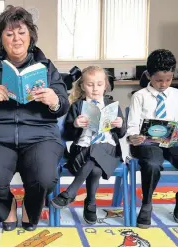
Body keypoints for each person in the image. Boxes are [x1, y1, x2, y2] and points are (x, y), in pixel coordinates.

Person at [0, 5, 69, 231]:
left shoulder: (47, 67)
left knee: (46, 177)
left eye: (21, 32)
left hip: (40, 136)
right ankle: (8, 206)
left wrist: (54, 100)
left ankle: (31, 207)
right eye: (9, 34)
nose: (16, 39)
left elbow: (63, 105)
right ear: (1, 39)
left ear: (31, 35)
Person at [127, 49, 178, 228]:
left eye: (168, 80)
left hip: (174, 141)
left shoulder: (176, 94)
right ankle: (147, 204)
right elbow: (132, 124)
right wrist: (134, 136)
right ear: (148, 75)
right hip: (148, 143)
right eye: (158, 80)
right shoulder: (139, 96)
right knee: (153, 164)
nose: (163, 84)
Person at [50, 66, 126, 224]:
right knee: (96, 165)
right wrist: (76, 125)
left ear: (105, 85)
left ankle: (70, 192)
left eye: (99, 84)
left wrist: (120, 125)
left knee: (98, 148)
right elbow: (67, 135)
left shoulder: (112, 105)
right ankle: (90, 203)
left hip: (109, 151)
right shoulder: (77, 106)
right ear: (83, 86)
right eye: (90, 84)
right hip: (82, 151)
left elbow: (121, 134)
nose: (95, 88)